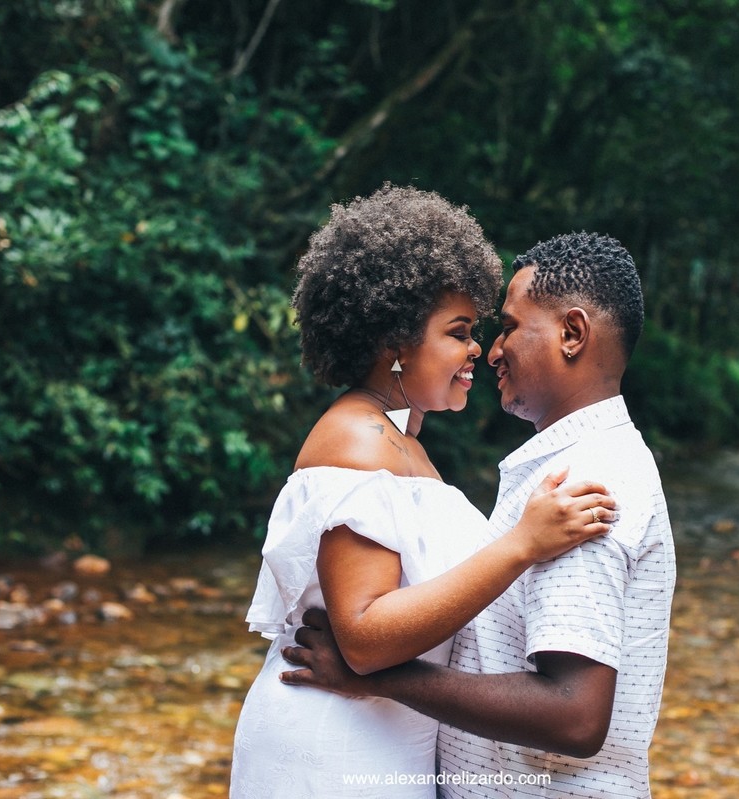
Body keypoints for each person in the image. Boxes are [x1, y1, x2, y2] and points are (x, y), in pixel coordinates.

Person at [229, 187, 618, 798]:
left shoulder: (399, 437)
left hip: (387, 740)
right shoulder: (356, 442)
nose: (477, 352)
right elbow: (361, 636)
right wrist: (521, 545)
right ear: (396, 344)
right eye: (458, 332)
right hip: (333, 746)